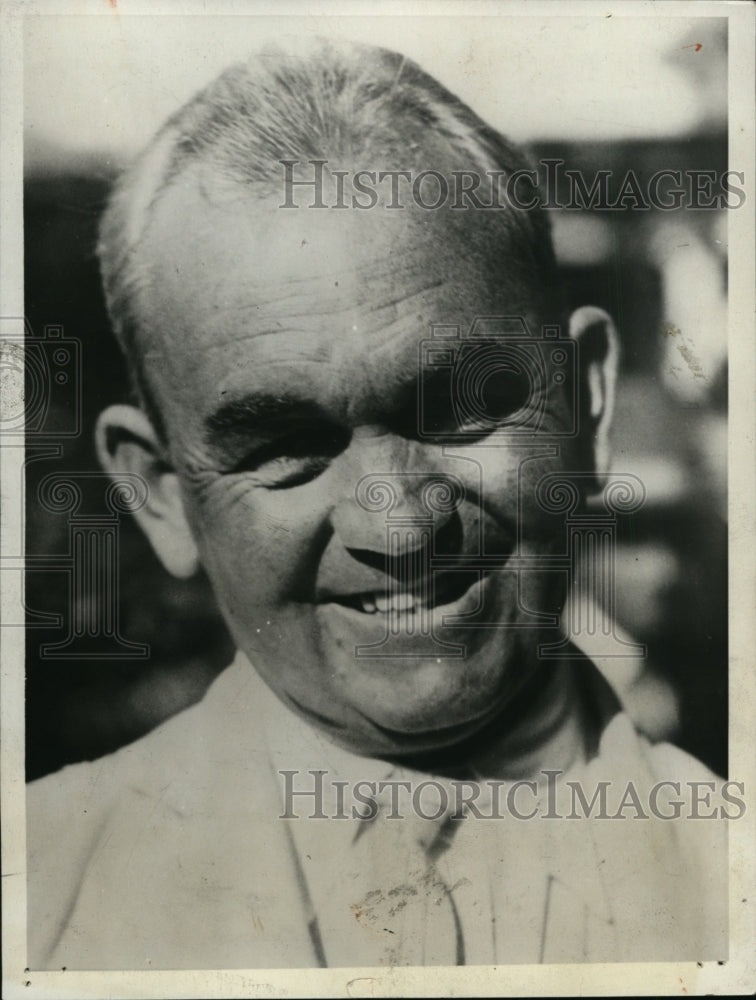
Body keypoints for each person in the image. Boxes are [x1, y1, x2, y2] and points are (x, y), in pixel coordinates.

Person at [27, 38, 727, 969]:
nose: (397, 523)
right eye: (283, 448)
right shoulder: (37, 902)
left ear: (584, 405)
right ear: (161, 495)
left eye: (457, 410)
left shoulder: (731, 881)